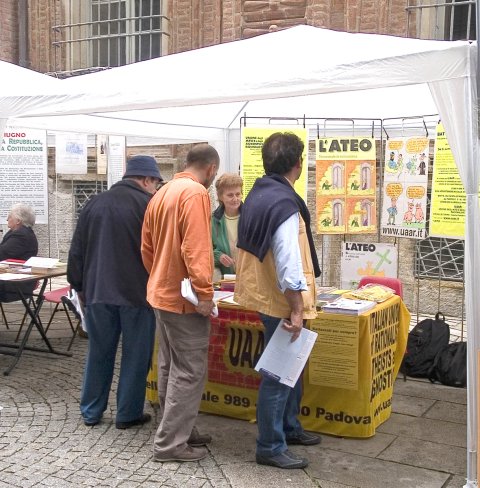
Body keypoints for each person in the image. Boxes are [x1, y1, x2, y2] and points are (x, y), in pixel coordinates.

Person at [235, 132, 321, 469]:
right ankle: (270, 445)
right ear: (298, 164)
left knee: (290, 369)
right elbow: (287, 259)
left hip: (266, 294)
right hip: (281, 299)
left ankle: (289, 426)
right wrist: (297, 307)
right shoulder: (283, 202)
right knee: (278, 374)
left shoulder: (259, 193)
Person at [67, 155, 163, 429]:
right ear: (146, 180)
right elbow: (159, 253)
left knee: (99, 352)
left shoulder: (94, 203)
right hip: (137, 294)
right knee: (136, 355)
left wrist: (79, 286)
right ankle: (127, 413)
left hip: (98, 292)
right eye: (155, 183)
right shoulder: (150, 206)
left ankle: (91, 411)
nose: (155, 188)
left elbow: (77, 250)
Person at [141, 143, 218, 463]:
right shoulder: (196, 193)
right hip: (182, 298)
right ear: (212, 169)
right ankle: (171, 443)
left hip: (161, 292)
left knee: (170, 366)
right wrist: (204, 293)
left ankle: (176, 430)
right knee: (188, 371)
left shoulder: (162, 191)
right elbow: (196, 249)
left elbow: (146, 246)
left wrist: (161, 276)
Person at [0, 203, 38, 302]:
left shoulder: (21, 236)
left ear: (18, 221)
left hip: (15, 285)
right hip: (10, 279)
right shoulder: (17, 232)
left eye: (9, 216)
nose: (7, 219)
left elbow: (2, 254)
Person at [212, 173, 243, 278]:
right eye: (230, 195)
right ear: (220, 197)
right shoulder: (212, 221)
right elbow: (205, 251)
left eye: (238, 194)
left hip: (248, 278)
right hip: (225, 279)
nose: (235, 199)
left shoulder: (250, 217)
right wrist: (219, 256)